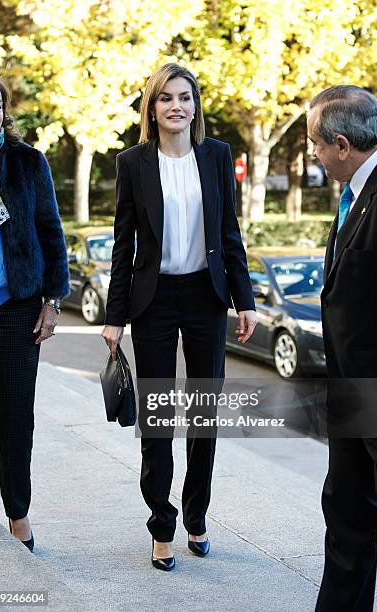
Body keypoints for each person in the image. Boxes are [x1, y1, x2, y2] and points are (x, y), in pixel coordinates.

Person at [102, 63, 256, 571]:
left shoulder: (215, 156)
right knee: (159, 421)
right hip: (154, 301)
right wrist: (114, 316)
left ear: (195, 105)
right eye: (165, 98)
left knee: (204, 416)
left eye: (184, 97)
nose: (175, 106)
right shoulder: (133, 162)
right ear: (152, 107)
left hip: (206, 298)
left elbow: (230, 234)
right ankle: (161, 524)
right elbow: (124, 245)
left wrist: (245, 300)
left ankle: (196, 516)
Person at [0, 73, 69, 551]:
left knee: (15, 413)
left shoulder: (29, 162)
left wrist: (53, 300)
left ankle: (18, 513)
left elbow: (51, 231)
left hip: (16, 302)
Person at [307, 85, 377, 611]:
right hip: (355, 395)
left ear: (340, 144)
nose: (311, 154)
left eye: (313, 144)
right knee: (347, 513)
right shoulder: (358, 191)